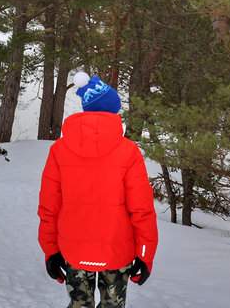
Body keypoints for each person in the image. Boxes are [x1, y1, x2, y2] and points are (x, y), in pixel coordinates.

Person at [37, 72, 158, 308]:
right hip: (117, 251)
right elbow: (142, 210)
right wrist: (145, 254)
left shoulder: (59, 150)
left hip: (73, 249)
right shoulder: (129, 152)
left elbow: (48, 207)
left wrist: (51, 251)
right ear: (113, 110)